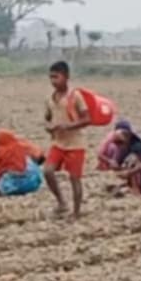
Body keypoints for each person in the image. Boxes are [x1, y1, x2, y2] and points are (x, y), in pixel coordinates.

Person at [42, 61, 90, 218]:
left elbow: (86, 119)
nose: (53, 81)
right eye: (51, 77)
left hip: (75, 144)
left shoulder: (75, 96)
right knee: (48, 171)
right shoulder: (50, 99)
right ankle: (62, 202)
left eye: (56, 77)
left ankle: (76, 212)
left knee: (74, 178)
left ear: (66, 77)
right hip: (58, 143)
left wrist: (67, 126)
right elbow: (47, 118)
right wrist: (49, 127)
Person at [0, 129, 45, 197]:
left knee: (5, 177)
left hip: (13, 181)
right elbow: (38, 154)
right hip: (31, 184)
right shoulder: (20, 146)